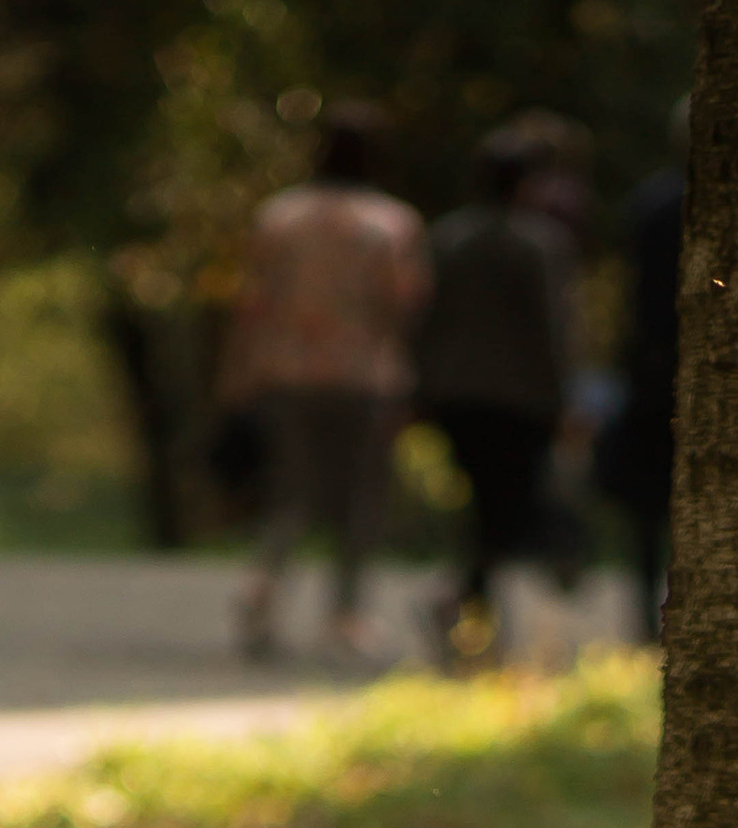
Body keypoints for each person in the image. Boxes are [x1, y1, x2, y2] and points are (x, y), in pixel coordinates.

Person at [222, 105, 428, 662]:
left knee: (290, 489)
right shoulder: (389, 223)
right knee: (358, 498)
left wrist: (238, 370)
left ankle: (262, 586)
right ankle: (346, 613)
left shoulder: (280, 216)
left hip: (286, 370)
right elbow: (403, 302)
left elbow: (253, 302)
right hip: (363, 374)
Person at [415, 122, 583, 665]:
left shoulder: (447, 238)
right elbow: (552, 331)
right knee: (504, 507)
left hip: (455, 393)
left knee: (488, 507)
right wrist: (563, 398)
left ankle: (472, 617)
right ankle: (465, 603)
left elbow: (425, 320)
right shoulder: (539, 245)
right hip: (517, 398)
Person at [595, 102, 687, 640]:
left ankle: (644, 612)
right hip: (679, 368)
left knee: (647, 506)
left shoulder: (649, 203)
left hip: (649, 369)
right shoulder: (713, 204)